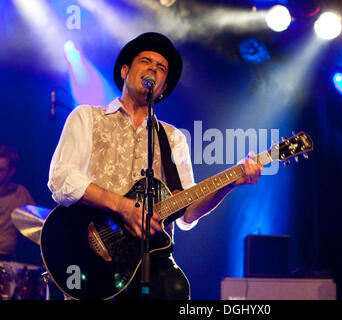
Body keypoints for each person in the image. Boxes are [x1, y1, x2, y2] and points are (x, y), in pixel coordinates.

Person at [48, 32, 263, 300]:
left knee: (177, 291)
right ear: (125, 71)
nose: (153, 68)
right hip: (91, 254)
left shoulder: (173, 138)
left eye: (161, 68)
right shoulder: (86, 117)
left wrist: (230, 182)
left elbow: (187, 213)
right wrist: (123, 206)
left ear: (162, 88)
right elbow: (62, 179)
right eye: (146, 61)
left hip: (146, 266)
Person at [0, 145, 35, 261]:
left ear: (11, 171)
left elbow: (38, 222)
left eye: (1, 170)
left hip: (6, 259)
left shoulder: (20, 193)